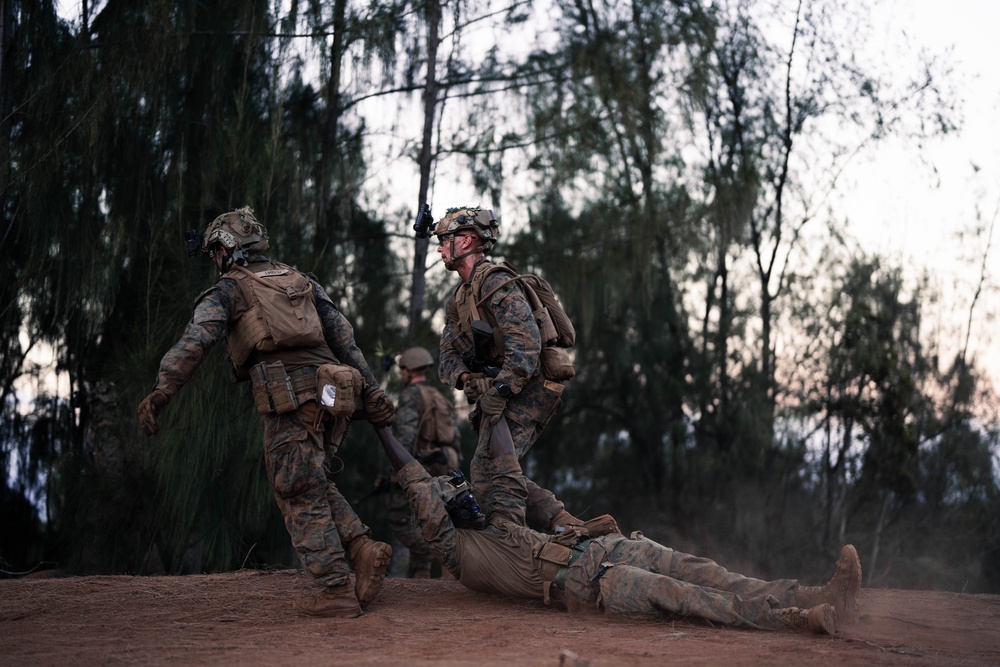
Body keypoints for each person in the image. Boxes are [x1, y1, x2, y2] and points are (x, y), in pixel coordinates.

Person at [370, 418, 862, 635]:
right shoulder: (461, 553)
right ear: (446, 519)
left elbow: (507, 463)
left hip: (604, 550)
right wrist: (381, 425)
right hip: (591, 583)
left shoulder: (499, 518)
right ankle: (799, 621)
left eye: (467, 497)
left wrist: (494, 397)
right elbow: (414, 481)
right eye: (458, 505)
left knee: (702, 568)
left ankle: (808, 593)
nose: (469, 505)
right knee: (687, 595)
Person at [137, 206, 394, 618]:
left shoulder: (230, 288)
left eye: (214, 252)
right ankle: (361, 548)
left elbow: (196, 340)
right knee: (309, 478)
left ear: (225, 249)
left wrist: (162, 389)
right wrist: (375, 391)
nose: (214, 260)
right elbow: (343, 336)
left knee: (295, 488)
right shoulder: (300, 279)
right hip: (334, 391)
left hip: (289, 396)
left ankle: (334, 589)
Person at [433, 206, 579, 532]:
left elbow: (526, 345)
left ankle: (510, 539)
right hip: (504, 390)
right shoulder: (459, 298)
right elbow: (447, 355)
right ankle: (561, 523)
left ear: (468, 240)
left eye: (445, 239)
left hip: (532, 386)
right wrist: (468, 379)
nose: (440, 248)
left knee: (492, 470)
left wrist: (500, 389)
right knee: (492, 469)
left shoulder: (496, 282)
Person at [385, 346, 462, 578]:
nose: (401, 374)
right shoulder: (438, 396)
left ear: (409, 370)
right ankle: (422, 574)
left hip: (421, 466)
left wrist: (396, 471)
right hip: (447, 463)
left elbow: (405, 438)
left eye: (403, 370)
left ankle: (439, 556)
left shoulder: (410, 395)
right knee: (433, 515)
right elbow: (455, 437)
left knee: (400, 516)